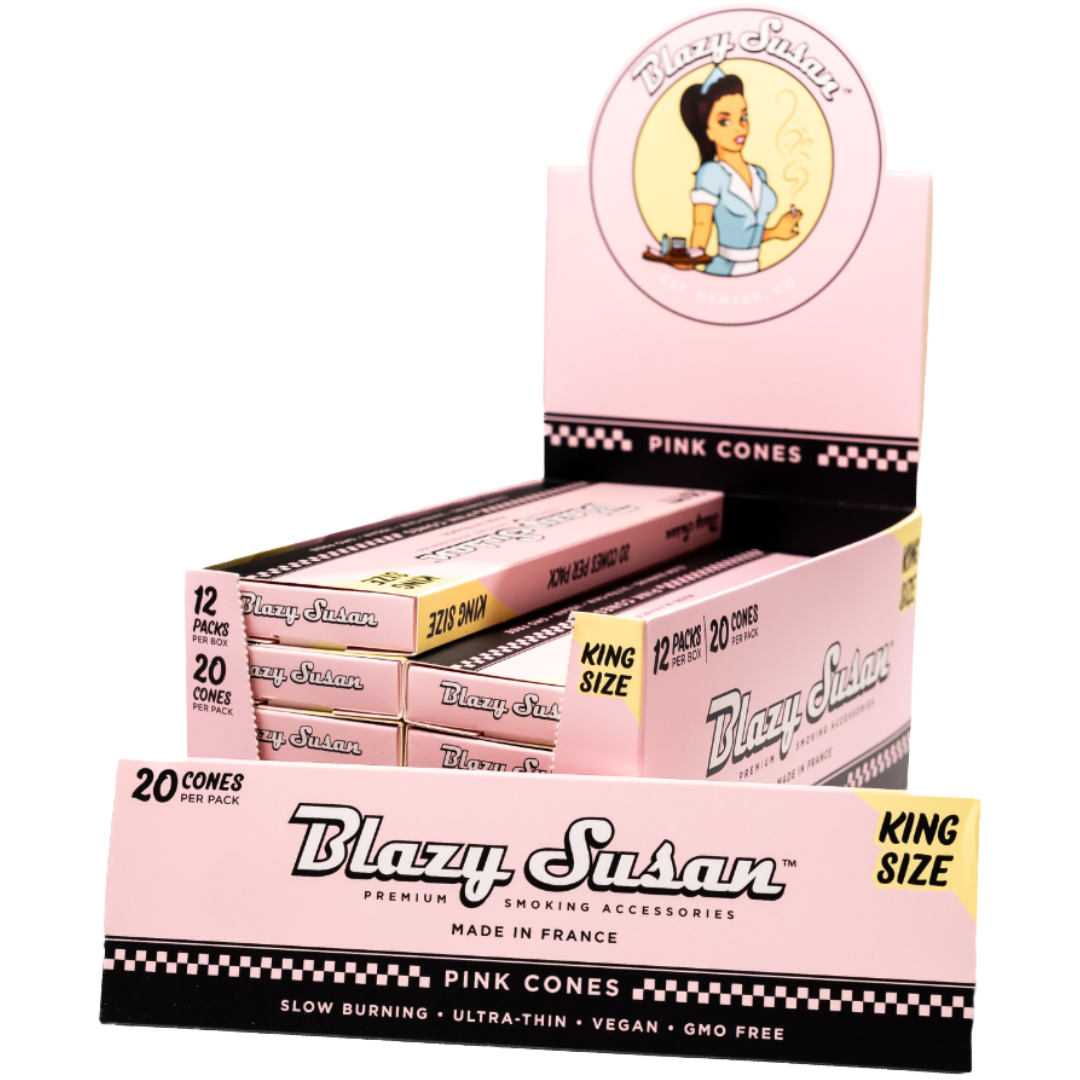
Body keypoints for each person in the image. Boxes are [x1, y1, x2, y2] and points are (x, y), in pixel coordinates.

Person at [678, 65, 801, 276]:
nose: (739, 128)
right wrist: (692, 257)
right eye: (725, 121)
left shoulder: (759, 174)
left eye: (743, 117)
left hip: (755, 268)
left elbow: (746, 233)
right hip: (725, 270)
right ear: (708, 131)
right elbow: (702, 223)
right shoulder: (711, 174)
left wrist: (776, 232)